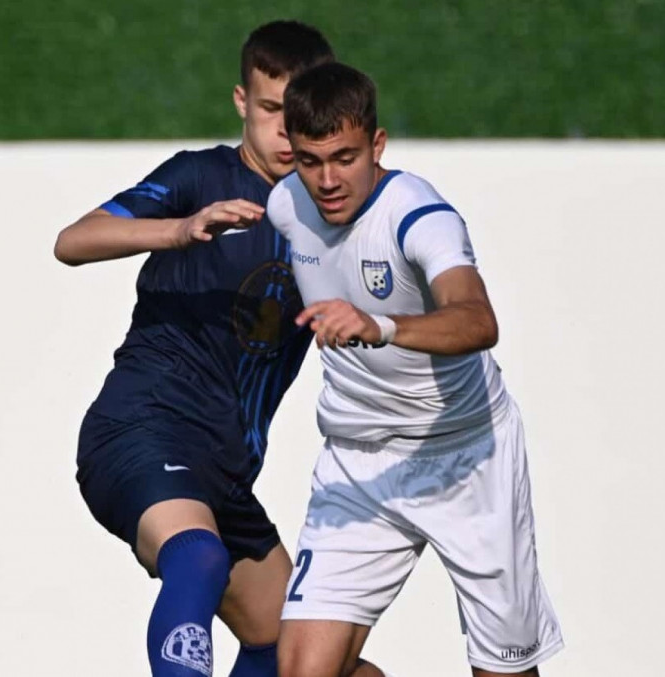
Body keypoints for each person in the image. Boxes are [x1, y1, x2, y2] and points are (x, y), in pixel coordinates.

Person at [54, 22, 385, 677]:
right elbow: (73, 240)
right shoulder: (201, 176)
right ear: (241, 101)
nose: (284, 133)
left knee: (311, 661)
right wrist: (178, 229)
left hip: (225, 476)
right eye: (269, 110)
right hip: (142, 430)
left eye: (298, 116)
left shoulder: (331, 217)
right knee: (198, 557)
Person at [266, 62, 565, 677]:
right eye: (310, 161)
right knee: (302, 671)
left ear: (377, 146)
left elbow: (478, 320)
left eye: (345, 158)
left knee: (503, 671)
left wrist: (380, 326)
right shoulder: (285, 205)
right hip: (358, 460)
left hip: (467, 457)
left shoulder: (420, 216)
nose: (327, 180)